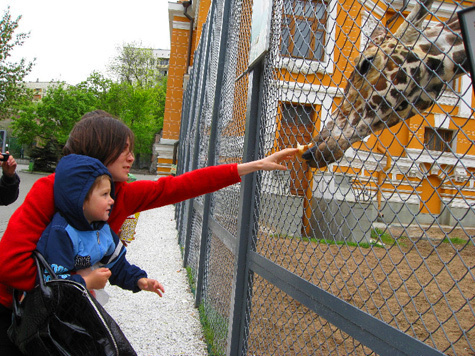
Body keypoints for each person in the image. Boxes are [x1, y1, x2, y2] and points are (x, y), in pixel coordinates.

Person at [0, 110, 298, 354]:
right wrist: (77, 283)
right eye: (124, 150)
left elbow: (180, 186)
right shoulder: (48, 190)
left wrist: (254, 165)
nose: (131, 157)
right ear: (97, 152)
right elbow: (10, 265)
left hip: (64, 305)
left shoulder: (123, 195)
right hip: (17, 312)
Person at [36, 154, 164, 305]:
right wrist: (87, 281)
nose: (111, 200)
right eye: (104, 195)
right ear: (81, 199)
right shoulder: (62, 232)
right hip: (55, 316)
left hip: (80, 304)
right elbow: (52, 284)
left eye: (110, 194)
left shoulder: (101, 228)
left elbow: (116, 264)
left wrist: (138, 280)